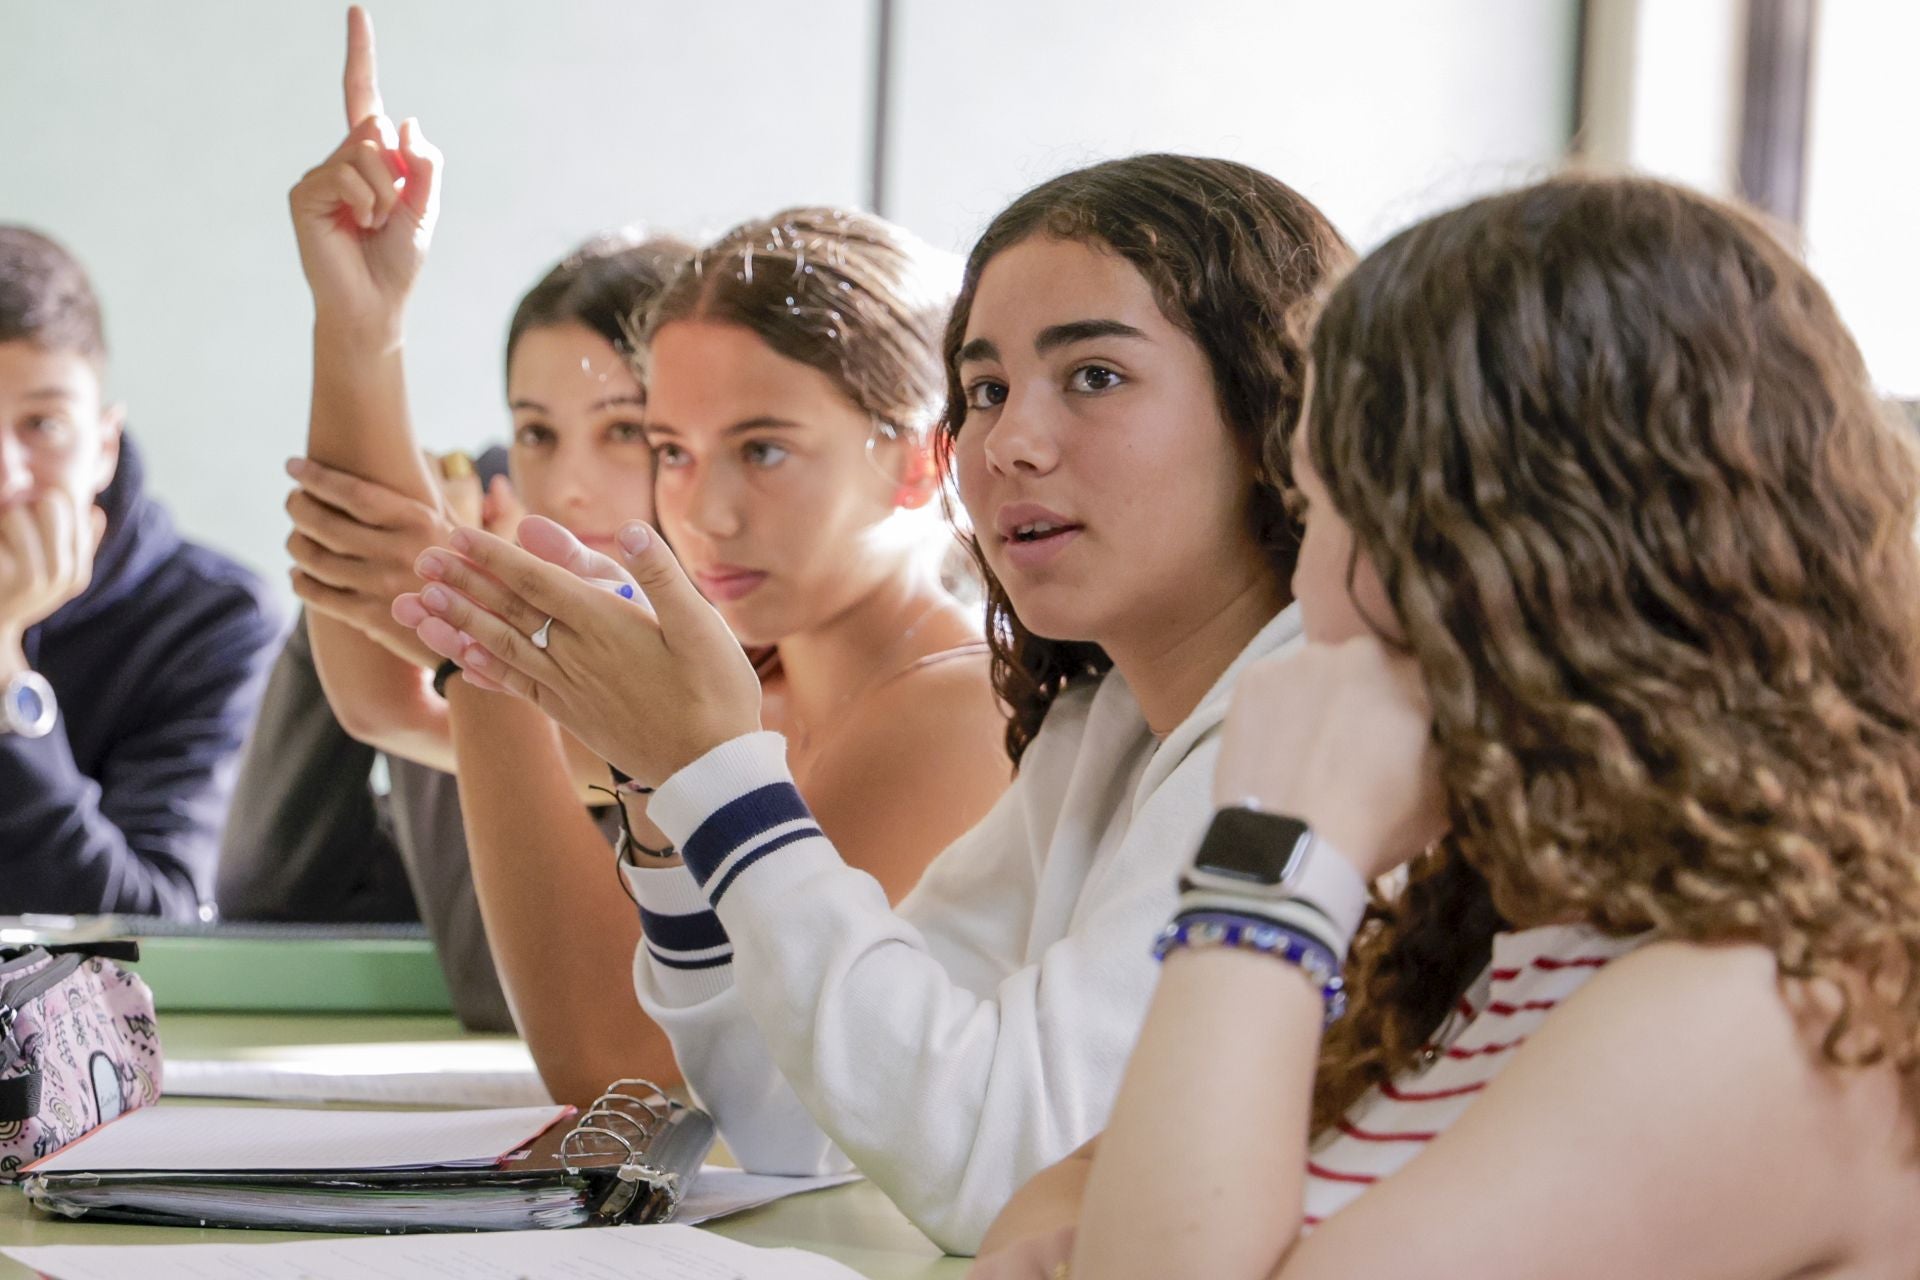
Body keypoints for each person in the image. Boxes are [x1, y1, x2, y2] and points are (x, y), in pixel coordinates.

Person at [399, 152, 1353, 1252]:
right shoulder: (1107, 729)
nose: (1007, 443)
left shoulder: (1301, 726)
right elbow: (789, 1115)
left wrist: (718, 773)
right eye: (987, 389)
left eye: (1093, 375)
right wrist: (669, 803)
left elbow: (1002, 1165)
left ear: (1276, 401)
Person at [973, 176, 1920, 1279]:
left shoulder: (1756, 999)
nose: (1304, 578)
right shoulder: (1501, 935)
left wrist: (1267, 859)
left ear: (1488, 566)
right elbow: (1056, 1203)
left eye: (1323, 510)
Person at [286, 7, 1007, 1105]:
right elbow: (389, 695)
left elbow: (629, 1069)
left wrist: (487, 642)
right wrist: (361, 325)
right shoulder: (755, 685)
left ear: (918, 463)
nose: (705, 509)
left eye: (764, 449)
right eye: (671, 447)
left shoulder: (951, 712)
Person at [0, 225, 281, 916]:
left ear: (103, 445)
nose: (5, 475)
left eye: (43, 425)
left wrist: (5, 676)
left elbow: (155, 929)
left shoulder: (216, 622)